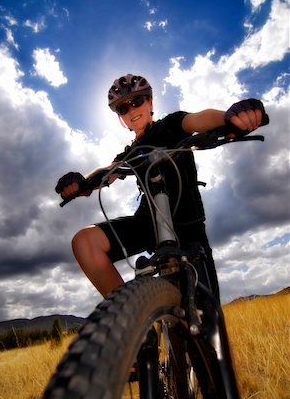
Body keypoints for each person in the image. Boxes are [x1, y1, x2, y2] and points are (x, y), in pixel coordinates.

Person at [55, 74, 267, 302]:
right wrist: (82, 182)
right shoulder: (129, 154)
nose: (131, 109)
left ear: (151, 103)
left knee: (208, 314)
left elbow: (198, 119)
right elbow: (108, 172)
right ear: (120, 118)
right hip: (148, 224)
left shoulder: (172, 125)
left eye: (137, 101)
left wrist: (228, 116)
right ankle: (132, 320)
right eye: (123, 108)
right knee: (84, 242)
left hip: (188, 225)